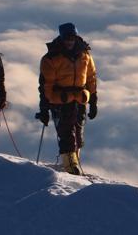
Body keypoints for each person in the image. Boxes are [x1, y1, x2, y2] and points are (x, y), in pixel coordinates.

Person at [36, 22, 97, 174]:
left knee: (78, 136)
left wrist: (93, 101)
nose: (69, 41)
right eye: (67, 38)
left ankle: (73, 164)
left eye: (72, 38)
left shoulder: (85, 55)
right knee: (66, 135)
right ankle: (71, 168)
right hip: (60, 102)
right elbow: (46, 85)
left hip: (80, 100)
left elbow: (91, 78)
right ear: (61, 38)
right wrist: (44, 108)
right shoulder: (51, 58)